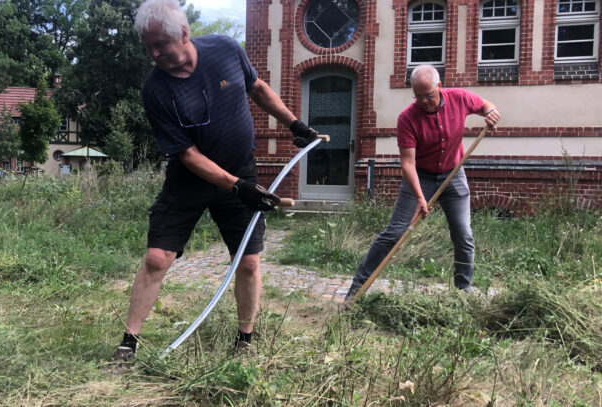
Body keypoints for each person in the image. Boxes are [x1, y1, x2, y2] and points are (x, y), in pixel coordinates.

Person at [110, 0, 319, 364]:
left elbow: (257, 88)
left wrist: (294, 124)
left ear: (185, 34)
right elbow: (188, 156)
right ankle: (128, 343)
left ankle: (245, 341)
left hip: (241, 170)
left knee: (249, 262)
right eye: (148, 46)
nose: (154, 54)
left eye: (160, 44)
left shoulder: (225, 49)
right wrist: (236, 185)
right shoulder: (155, 90)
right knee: (158, 257)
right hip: (189, 180)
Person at [343, 64, 501, 302]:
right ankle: (357, 288)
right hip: (420, 177)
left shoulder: (459, 98)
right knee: (395, 233)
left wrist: (491, 113)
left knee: (463, 234)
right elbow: (407, 163)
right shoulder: (407, 118)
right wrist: (419, 196)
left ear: (439, 86)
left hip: (453, 175)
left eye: (429, 94)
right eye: (419, 96)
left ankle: (463, 292)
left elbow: (486, 105)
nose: (425, 100)